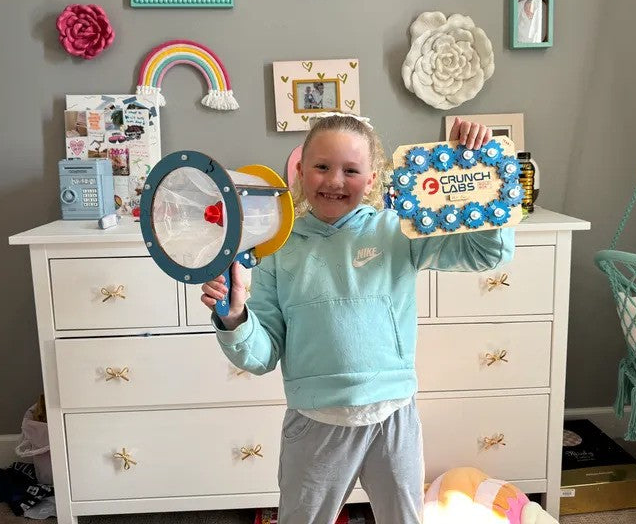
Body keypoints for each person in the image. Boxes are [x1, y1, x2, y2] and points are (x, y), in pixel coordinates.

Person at [201, 113, 515, 524]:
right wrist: (237, 314)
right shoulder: (276, 248)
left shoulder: (397, 230)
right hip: (316, 422)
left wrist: (477, 167)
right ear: (299, 173)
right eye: (321, 167)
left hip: (394, 416)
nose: (334, 180)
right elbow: (261, 357)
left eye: (351, 170)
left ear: (371, 180)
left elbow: (485, 253)